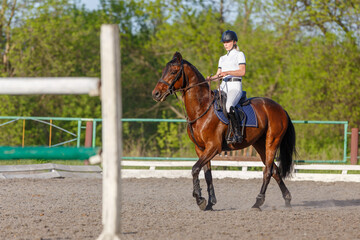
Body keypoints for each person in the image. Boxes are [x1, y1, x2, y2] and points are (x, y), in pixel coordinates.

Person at [210, 30, 246, 144]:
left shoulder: (240, 54)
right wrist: (209, 79)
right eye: (224, 42)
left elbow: (242, 72)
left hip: (234, 86)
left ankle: (237, 133)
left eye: (228, 41)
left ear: (234, 42)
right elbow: (218, 74)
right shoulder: (222, 58)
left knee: (229, 106)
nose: (225, 44)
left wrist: (227, 72)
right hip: (223, 86)